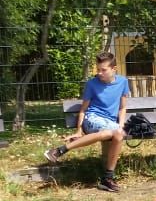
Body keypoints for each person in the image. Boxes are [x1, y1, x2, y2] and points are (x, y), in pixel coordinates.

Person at [43, 51, 129, 192]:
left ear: (114, 69)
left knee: (119, 134)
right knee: (116, 133)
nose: (99, 73)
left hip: (110, 123)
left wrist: (121, 124)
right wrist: (79, 130)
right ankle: (60, 150)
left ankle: (107, 178)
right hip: (92, 119)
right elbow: (83, 109)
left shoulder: (123, 82)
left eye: (103, 70)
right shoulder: (92, 84)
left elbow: (123, 107)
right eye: (98, 69)